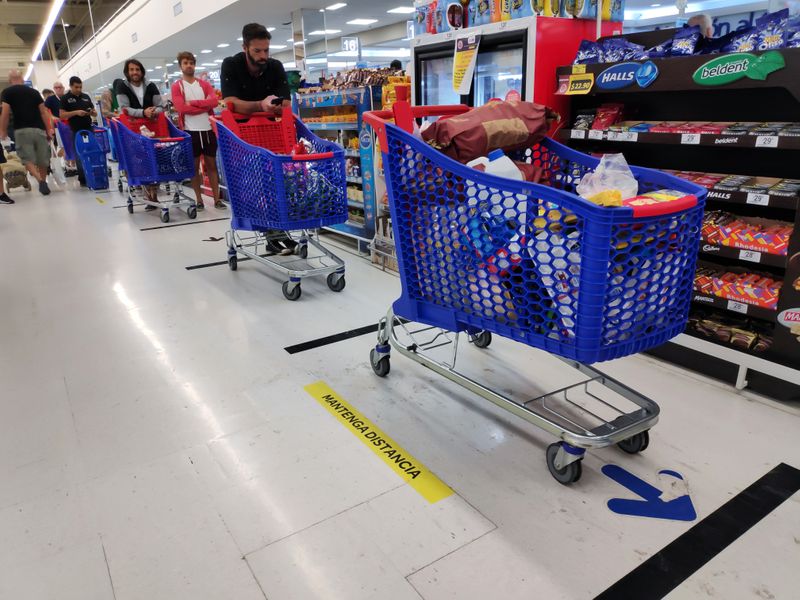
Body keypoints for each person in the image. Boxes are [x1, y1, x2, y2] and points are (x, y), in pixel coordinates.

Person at [221, 22, 295, 254]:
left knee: (277, 183)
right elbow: (230, 102)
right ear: (245, 48)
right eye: (257, 51)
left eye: (266, 50)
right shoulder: (231, 65)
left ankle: (276, 231)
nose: (263, 56)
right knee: (253, 185)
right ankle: (271, 231)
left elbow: (285, 102)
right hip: (240, 137)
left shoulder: (275, 67)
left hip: (272, 135)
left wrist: (276, 108)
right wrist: (259, 105)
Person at [171, 51, 224, 211]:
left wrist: (193, 103)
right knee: (194, 168)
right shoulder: (177, 86)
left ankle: (217, 199)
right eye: (185, 63)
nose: (189, 65)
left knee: (212, 165)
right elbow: (181, 108)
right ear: (181, 66)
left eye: (191, 62)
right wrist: (204, 105)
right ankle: (199, 200)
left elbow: (214, 101)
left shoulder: (204, 84)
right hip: (190, 132)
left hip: (208, 130)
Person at [114, 59, 164, 206]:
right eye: (131, 70)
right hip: (133, 128)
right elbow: (125, 108)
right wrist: (143, 112)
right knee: (140, 160)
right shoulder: (122, 87)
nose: (135, 72)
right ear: (127, 72)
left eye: (137, 69)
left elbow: (160, 105)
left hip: (153, 128)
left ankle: (153, 193)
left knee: (155, 158)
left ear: (142, 71)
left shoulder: (151, 86)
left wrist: (154, 111)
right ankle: (148, 193)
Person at [0, 70, 53, 195]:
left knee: (26, 158)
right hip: (39, 129)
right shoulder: (34, 92)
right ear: (23, 79)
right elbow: (43, 112)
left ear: (9, 80)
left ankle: (40, 180)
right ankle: (44, 181)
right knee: (42, 159)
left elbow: (5, 113)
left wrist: (2, 130)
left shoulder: (7, 92)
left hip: (21, 130)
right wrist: (49, 129)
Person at [59, 76, 97, 188]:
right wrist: (76, 112)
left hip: (89, 128)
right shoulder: (65, 98)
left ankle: (93, 174)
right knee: (80, 154)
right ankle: (83, 178)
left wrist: (92, 113)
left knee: (92, 151)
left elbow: (94, 112)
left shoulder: (85, 97)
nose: (79, 89)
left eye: (80, 87)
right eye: (76, 87)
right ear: (70, 86)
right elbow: (62, 115)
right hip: (76, 130)